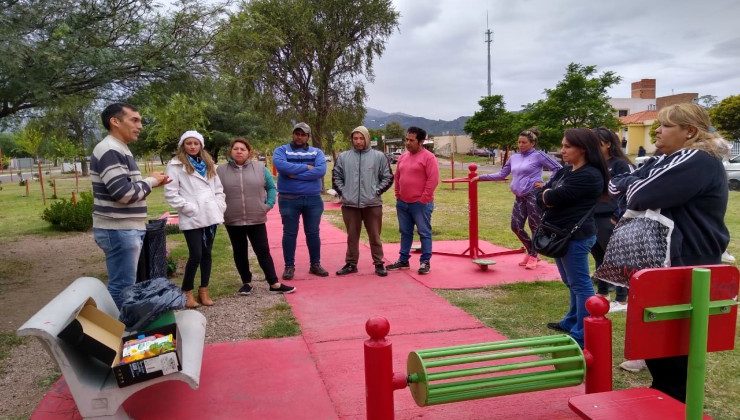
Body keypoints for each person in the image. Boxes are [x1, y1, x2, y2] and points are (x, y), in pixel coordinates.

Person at [609, 102, 730, 402]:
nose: (657, 131)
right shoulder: (672, 158)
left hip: (684, 261)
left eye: (665, 126)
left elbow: (637, 195)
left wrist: (634, 184)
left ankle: (673, 401)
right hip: (673, 260)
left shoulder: (696, 158)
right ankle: (666, 396)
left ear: (690, 131)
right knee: (659, 342)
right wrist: (635, 182)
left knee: (672, 346)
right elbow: (616, 186)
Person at [91, 103, 170, 309]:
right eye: (134, 120)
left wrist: (151, 181)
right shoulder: (110, 149)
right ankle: (117, 333)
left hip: (124, 228)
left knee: (125, 284)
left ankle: (117, 331)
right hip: (118, 228)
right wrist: (151, 181)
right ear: (115, 122)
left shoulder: (120, 149)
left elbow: (126, 189)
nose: (140, 126)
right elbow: (124, 194)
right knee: (122, 287)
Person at [540, 128, 609, 348]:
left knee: (581, 285)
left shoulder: (589, 175)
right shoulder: (566, 172)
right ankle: (571, 321)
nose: (562, 151)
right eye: (563, 145)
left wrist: (547, 195)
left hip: (576, 236)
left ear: (584, 149)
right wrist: (546, 195)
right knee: (571, 282)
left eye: (567, 146)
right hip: (560, 234)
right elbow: (542, 197)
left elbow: (552, 195)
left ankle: (582, 331)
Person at [472, 128, 561, 269]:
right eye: (519, 142)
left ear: (532, 143)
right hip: (519, 197)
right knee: (516, 226)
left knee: (535, 226)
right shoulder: (514, 157)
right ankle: (532, 250)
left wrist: (546, 184)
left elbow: (558, 168)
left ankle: (533, 255)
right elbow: (502, 174)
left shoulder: (539, 155)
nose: (520, 145)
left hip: (533, 195)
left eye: (524, 142)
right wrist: (481, 177)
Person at [217, 138, 295, 295]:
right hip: (233, 218)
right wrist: (220, 209)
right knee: (239, 251)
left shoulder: (260, 168)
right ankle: (246, 282)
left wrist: (268, 205)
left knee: (263, 251)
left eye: (243, 149)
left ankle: (273, 283)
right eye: (236, 148)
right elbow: (215, 193)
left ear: (249, 152)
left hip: (256, 217)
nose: (239, 151)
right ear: (230, 151)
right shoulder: (220, 171)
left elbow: (272, 187)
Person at [164, 131, 226, 308]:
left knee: (207, 254)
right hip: (192, 216)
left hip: (211, 214)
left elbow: (218, 188)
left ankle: (204, 290)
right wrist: (189, 207)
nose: (192, 146)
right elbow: (171, 193)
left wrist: (220, 205)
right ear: (183, 145)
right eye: (188, 143)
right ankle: (187, 292)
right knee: (196, 254)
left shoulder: (208, 163)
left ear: (201, 145)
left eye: (196, 143)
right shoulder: (175, 165)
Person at [332, 126, 394, 277]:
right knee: (352, 236)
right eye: (355, 138)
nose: (358, 141)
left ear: (367, 138)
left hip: (372, 204)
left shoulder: (378, 156)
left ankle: (379, 263)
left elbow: (388, 177)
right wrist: (344, 192)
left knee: (375, 235)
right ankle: (351, 264)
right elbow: (336, 177)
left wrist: (376, 191)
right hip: (350, 205)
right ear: (352, 139)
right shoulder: (343, 157)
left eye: (361, 138)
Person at [273, 122, 329, 279]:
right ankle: (289, 266)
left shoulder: (317, 152)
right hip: (288, 199)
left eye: (303, 134)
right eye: (297, 133)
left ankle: (315, 264)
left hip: (313, 200)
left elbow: (320, 171)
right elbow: (281, 167)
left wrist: (294, 174)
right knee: (290, 233)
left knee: (313, 233)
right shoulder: (281, 150)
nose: (299, 137)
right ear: (293, 134)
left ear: (308, 136)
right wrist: (307, 167)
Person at [386, 127, 439, 275]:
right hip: (403, 203)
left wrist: (424, 199)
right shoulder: (403, 157)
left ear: (421, 141)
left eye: (411, 140)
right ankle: (403, 260)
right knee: (405, 232)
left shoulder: (429, 158)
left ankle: (425, 262)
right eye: (406, 139)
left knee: (424, 232)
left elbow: (433, 180)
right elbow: (397, 176)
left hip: (420, 204)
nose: (407, 143)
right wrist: (398, 194)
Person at [591, 127, 633, 312]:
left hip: (609, 217)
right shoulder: (594, 163)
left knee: (615, 257)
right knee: (599, 256)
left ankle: (622, 298)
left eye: (597, 143)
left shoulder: (619, 164)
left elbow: (626, 192)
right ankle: (602, 292)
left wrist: (618, 215)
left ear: (608, 144)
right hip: (592, 215)